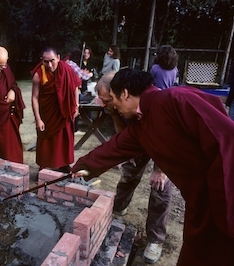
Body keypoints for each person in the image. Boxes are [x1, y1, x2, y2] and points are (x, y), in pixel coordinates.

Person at [71, 69, 234, 265]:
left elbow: (225, 141)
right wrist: (83, 167)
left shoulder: (177, 99)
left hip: (223, 197)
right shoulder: (139, 126)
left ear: (125, 93)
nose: (112, 105)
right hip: (197, 201)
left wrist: (225, 207)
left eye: (112, 98)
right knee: (196, 253)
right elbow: (114, 148)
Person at [96, 72, 172, 264]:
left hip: (163, 142)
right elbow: (121, 130)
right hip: (138, 137)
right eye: (104, 101)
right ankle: (118, 211)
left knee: (160, 187)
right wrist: (125, 152)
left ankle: (155, 239)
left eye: (108, 100)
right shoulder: (114, 104)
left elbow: (168, 141)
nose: (105, 104)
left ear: (122, 93)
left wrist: (161, 170)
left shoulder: (156, 104)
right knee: (128, 174)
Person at [31, 47, 81, 173]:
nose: (49, 65)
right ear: (42, 61)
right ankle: (43, 167)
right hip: (47, 114)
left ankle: (64, 165)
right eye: (45, 61)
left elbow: (75, 87)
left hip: (65, 111)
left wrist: (76, 106)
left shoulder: (67, 69)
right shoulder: (38, 75)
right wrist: (38, 119)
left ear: (58, 57)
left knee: (64, 139)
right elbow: (34, 98)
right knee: (46, 141)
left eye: (52, 60)